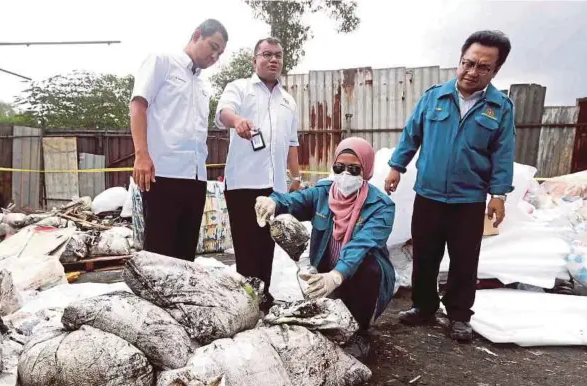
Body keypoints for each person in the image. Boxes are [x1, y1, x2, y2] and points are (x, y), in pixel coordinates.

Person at [384, 30, 515, 342]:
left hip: (469, 200)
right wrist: (395, 167)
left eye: (483, 67)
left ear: (495, 70)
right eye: (467, 63)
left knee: (464, 261)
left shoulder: (500, 108)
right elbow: (411, 135)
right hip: (428, 194)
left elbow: (503, 153)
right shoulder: (434, 97)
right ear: (459, 61)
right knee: (425, 254)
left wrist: (498, 195)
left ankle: (458, 316)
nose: (472, 72)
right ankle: (424, 307)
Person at [255, 137, 396, 362]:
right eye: (339, 168)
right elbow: (295, 200)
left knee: (369, 267)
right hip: (328, 273)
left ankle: (360, 333)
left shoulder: (381, 207)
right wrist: (273, 202)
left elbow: (361, 245)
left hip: (359, 278)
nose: (345, 175)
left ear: (367, 169)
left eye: (354, 169)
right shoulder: (323, 193)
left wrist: (336, 276)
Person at [129, 19, 228, 262]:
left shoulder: (202, 85)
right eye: (213, 46)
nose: (215, 56)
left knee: (184, 258)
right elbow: (138, 105)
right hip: (163, 174)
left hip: (195, 179)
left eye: (220, 53)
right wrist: (142, 155)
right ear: (196, 35)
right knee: (159, 256)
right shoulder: (162, 62)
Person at [214, 37, 301, 309]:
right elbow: (223, 112)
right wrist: (237, 121)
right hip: (243, 183)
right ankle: (247, 298)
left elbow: (292, 142)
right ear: (255, 60)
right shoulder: (239, 88)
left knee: (267, 243)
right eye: (266, 54)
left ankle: (263, 293)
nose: (273, 59)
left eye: (278, 55)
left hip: (275, 186)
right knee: (246, 243)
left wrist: (295, 178)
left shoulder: (288, 101)